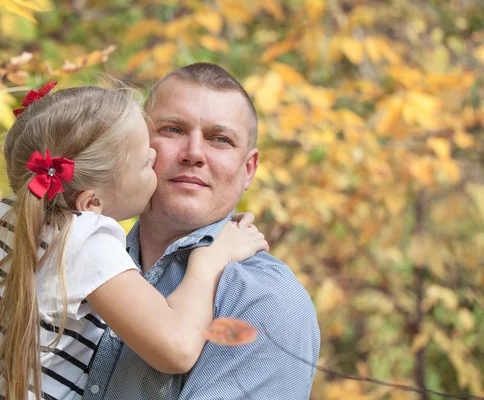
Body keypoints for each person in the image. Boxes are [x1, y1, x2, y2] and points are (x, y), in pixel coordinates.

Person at [0, 83, 268, 400]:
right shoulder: (85, 240)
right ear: (91, 204)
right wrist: (210, 259)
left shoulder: (12, 214)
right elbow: (176, 349)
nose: (157, 161)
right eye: (146, 162)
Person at [82, 63, 321, 399]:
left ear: (248, 169)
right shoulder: (79, 250)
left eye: (220, 139)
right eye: (173, 130)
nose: (194, 153)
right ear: (137, 146)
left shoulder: (266, 302)